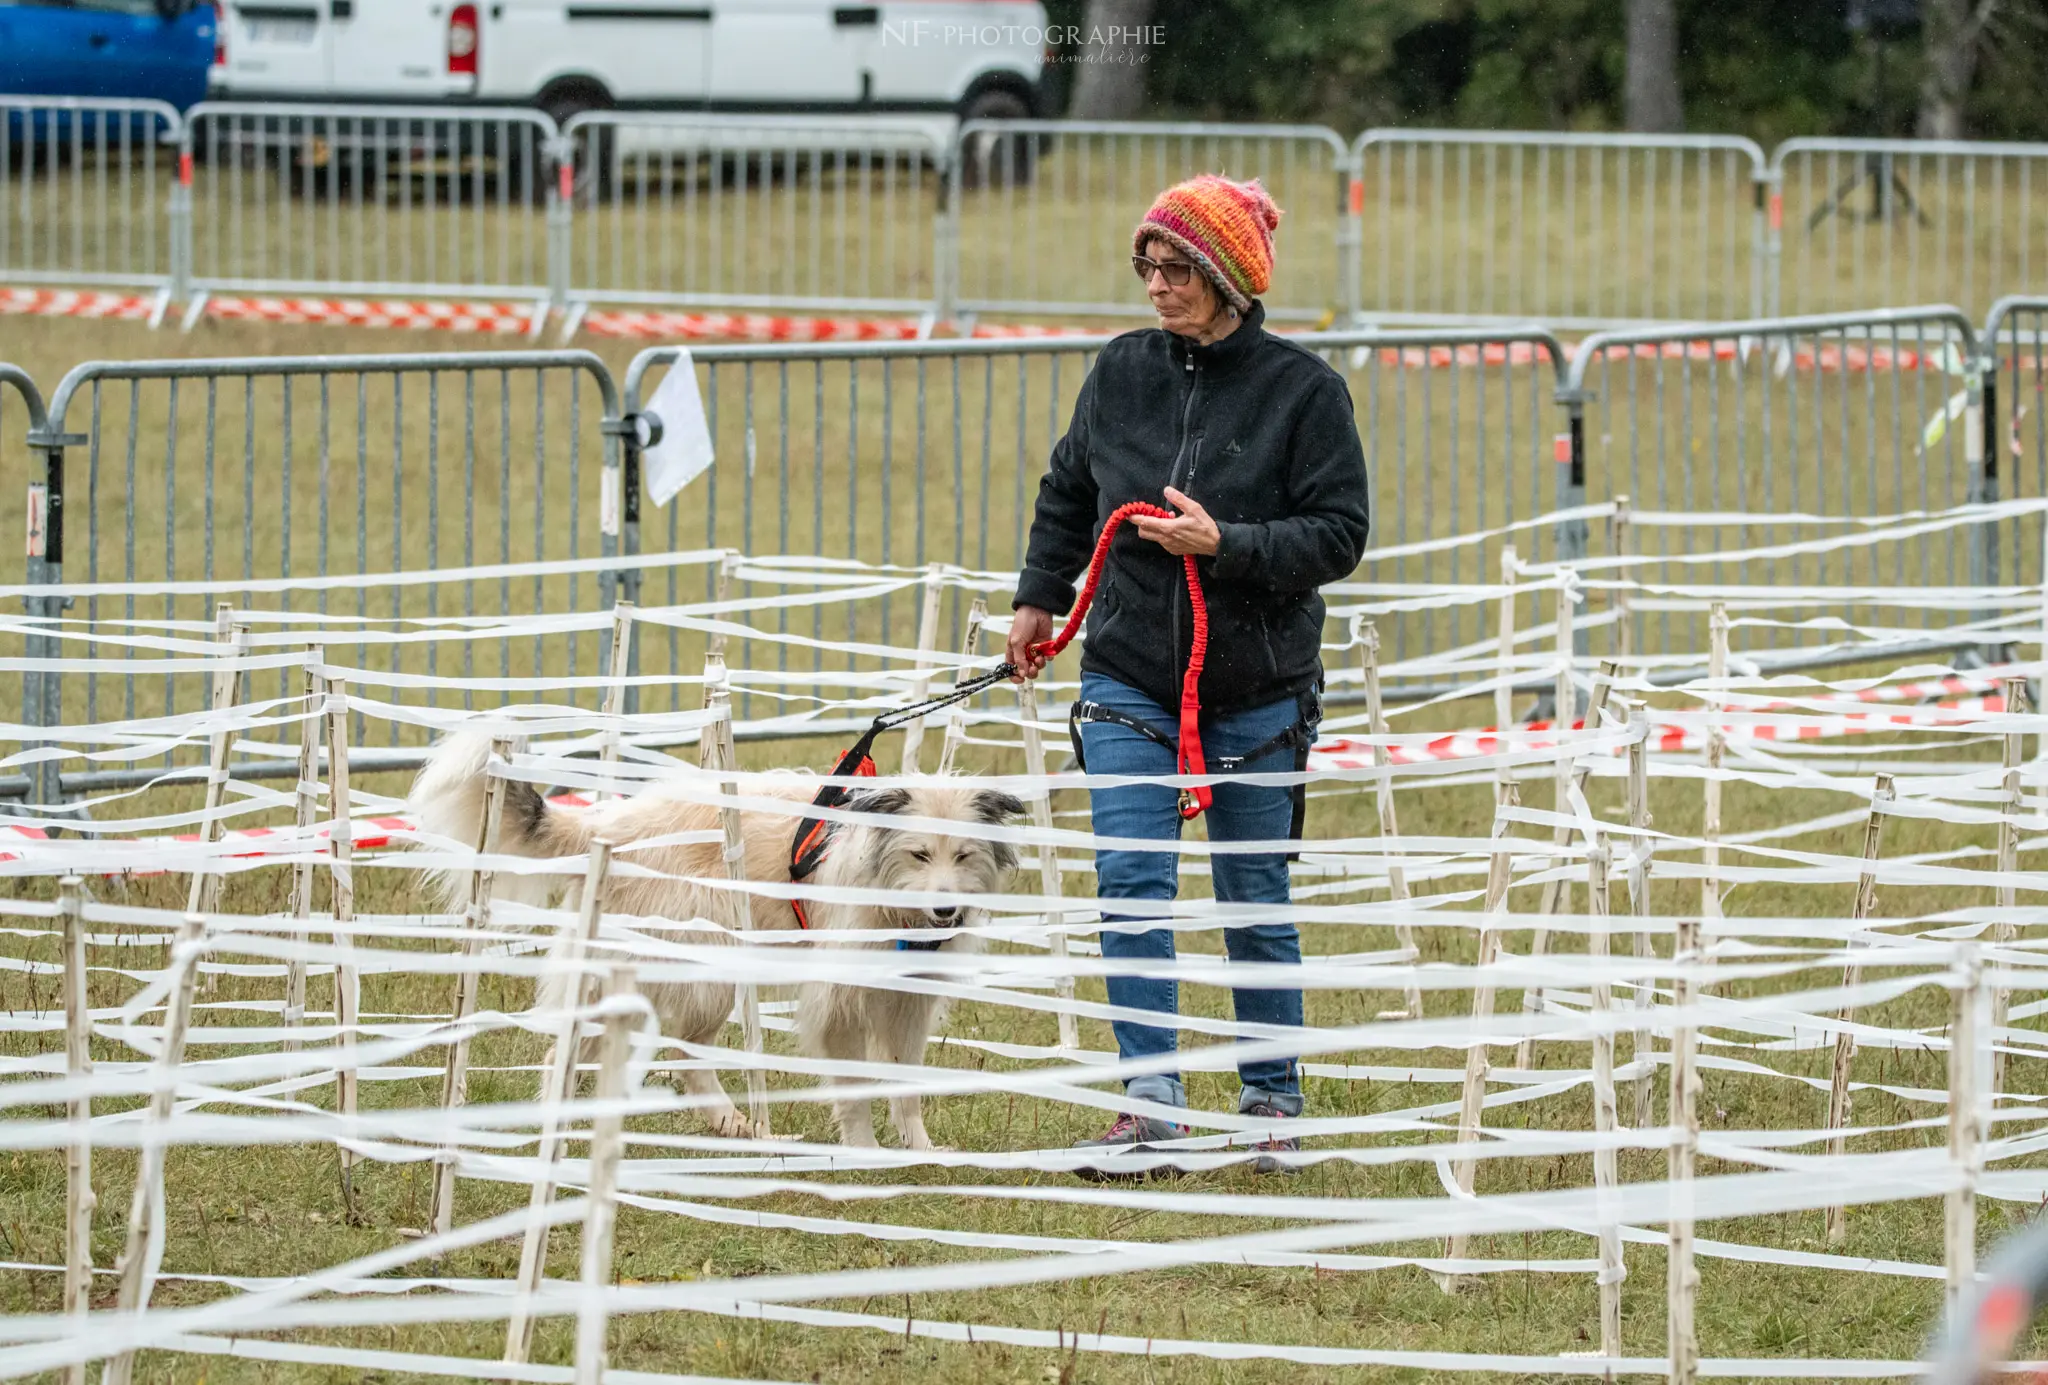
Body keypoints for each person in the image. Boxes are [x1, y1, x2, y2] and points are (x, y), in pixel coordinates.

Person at [1006, 174, 1371, 1177]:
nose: (1156, 285)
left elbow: (1340, 533)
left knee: (1250, 889)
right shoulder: (1118, 370)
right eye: (1147, 266)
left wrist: (1229, 542)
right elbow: (1068, 484)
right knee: (1128, 883)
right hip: (1126, 670)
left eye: (1178, 269)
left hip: (1256, 688)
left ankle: (1270, 1098)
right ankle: (1149, 1101)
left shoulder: (1304, 392)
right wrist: (1039, 594)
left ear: (1230, 277)